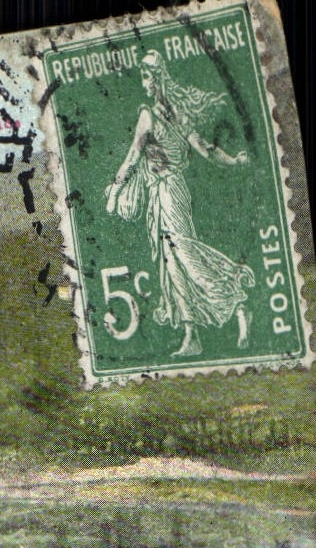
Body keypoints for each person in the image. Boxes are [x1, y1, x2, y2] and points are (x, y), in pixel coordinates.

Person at [104, 50, 255, 357]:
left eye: (147, 76)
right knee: (171, 263)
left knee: (183, 254)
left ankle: (236, 300)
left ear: (158, 78)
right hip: (166, 192)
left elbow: (133, 157)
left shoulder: (149, 114)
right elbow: (209, 150)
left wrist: (114, 192)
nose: (143, 82)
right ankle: (192, 334)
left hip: (169, 192)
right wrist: (234, 161)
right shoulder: (177, 113)